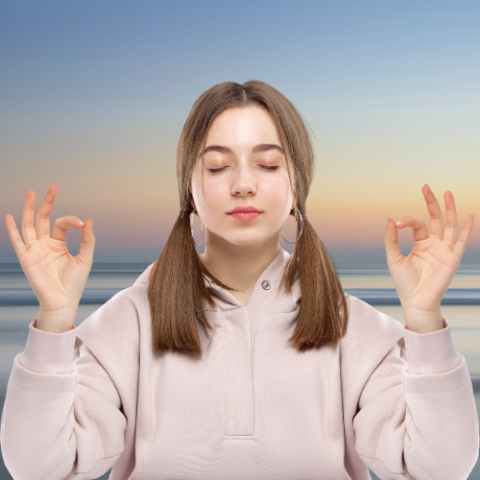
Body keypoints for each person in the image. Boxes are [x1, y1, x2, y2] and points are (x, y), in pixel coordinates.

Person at [1, 80, 478, 480]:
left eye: (268, 164)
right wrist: (55, 319)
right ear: (189, 186)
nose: (243, 183)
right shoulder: (131, 319)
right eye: (217, 165)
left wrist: (423, 319)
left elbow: (439, 468)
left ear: (297, 186)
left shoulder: (350, 325)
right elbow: (40, 467)